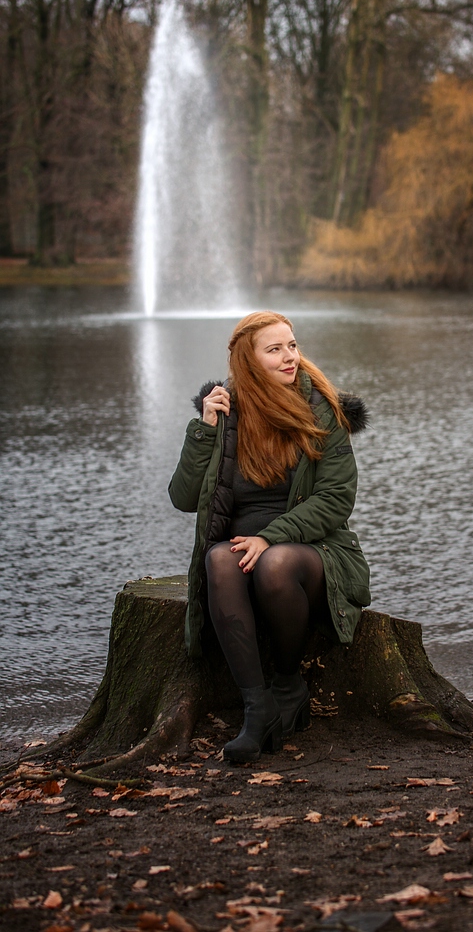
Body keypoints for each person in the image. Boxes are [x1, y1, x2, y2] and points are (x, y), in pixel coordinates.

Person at [168, 311, 371, 763]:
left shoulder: (323, 410)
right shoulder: (225, 412)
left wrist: (271, 538)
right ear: (248, 359)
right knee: (219, 559)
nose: (289, 357)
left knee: (274, 564)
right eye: (275, 349)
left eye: (292, 346)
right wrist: (203, 428)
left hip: (315, 553)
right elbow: (183, 498)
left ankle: (288, 683)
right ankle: (257, 710)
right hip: (241, 553)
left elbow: (337, 499)